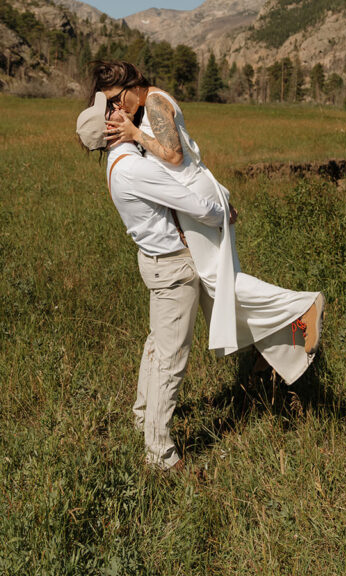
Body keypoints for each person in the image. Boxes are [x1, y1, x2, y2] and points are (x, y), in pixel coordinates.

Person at [87, 60, 325, 386]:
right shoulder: (151, 102)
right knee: (218, 288)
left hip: (195, 200)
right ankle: (273, 351)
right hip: (193, 198)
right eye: (111, 103)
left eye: (117, 98)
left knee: (218, 281)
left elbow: (173, 156)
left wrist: (135, 134)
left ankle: (300, 307)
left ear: (132, 85)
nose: (117, 107)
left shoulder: (154, 101)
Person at [76, 92, 228, 471]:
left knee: (158, 346)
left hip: (156, 263)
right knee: (171, 360)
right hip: (173, 268)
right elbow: (191, 204)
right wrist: (225, 211)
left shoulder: (118, 163)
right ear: (110, 130)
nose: (117, 108)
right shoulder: (133, 168)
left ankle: (143, 416)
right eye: (109, 112)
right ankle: (159, 452)